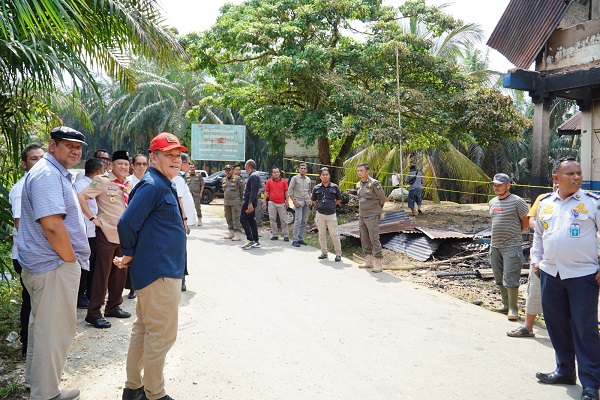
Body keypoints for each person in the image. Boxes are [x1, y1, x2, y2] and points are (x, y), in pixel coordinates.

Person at [17, 126, 90, 400]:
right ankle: (46, 394)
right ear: (52, 145)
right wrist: (70, 260)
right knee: (55, 331)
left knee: (41, 328)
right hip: (53, 265)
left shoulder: (52, 172)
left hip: (45, 265)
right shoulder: (48, 174)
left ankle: (36, 385)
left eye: (78, 147)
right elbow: (52, 226)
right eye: (69, 145)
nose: (75, 151)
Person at [115, 132, 187, 400]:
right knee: (161, 336)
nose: (176, 160)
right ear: (153, 157)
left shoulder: (162, 183)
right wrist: (130, 253)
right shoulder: (153, 185)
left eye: (178, 156)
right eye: (169, 155)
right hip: (160, 273)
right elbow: (126, 223)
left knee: (144, 330)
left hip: (160, 271)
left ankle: (133, 388)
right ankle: (154, 394)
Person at [531, 157, 600, 400]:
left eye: (579, 173)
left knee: (585, 329)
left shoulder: (592, 203)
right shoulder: (546, 203)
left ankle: (591, 383)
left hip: (583, 276)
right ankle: (564, 371)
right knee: (556, 325)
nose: (577, 177)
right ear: (556, 178)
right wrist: (536, 260)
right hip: (550, 273)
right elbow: (539, 235)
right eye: (570, 173)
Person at [78, 150, 132, 329]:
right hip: (106, 233)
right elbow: (82, 197)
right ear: (111, 165)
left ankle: (113, 307)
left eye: (126, 164)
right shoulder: (102, 181)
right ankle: (93, 313)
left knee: (120, 272)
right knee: (102, 274)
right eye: (119, 164)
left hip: (124, 236)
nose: (123, 167)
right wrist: (93, 218)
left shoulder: (129, 185)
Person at [507, 181, 558, 338]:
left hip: (567, 259)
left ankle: (564, 331)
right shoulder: (543, 199)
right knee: (535, 290)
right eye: (555, 180)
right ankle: (528, 327)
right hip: (542, 256)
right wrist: (546, 229)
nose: (557, 184)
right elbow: (531, 220)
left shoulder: (581, 202)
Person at [9, 144, 44, 362]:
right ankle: (27, 346)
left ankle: (34, 347)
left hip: (36, 253)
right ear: (24, 164)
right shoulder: (22, 188)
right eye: (33, 159)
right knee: (30, 302)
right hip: (27, 255)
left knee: (37, 304)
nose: (39, 162)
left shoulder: (39, 186)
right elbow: (21, 225)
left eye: (42, 158)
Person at [488, 173, 529, 321]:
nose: (496, 187)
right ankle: (505, 305)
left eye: (499, 184)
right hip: (495, 245)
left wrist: (515, 233)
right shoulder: (492, 202)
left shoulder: (517, 201)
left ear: (508, 185)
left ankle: (513, 308)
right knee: (498, 276)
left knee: (511, 277)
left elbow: (526, 222)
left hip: (511, 246)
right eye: (494, 184)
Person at [74, 158, 104, 308]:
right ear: (98, 172)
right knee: (85, 265)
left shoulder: (88, 183)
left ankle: (86, 294)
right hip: (86, 230)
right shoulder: (83, 185)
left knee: (90, 264)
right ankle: (80, 296)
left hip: (91, 230)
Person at [356, 163, 387, 272]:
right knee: (364, 238)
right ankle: (368, 261)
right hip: (362, 215)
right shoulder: (359, 184)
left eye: (361, 170)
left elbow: (382, 198)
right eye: (358, 170)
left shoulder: (374, 184)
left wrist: (378, 210)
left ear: (367, 172)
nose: (359, 172)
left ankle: (378, 263)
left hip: (372, 215)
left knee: (374, 238)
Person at [311, 167, 342, 261]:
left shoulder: (335, 187)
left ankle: (338, 253)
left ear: (329, 176)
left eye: (326, 174)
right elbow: (313, 200)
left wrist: (331, 204)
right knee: (322, 234)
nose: (325, 176)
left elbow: (339, 199)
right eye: (323, 175)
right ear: (320, 176)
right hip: (320, 214)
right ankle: (324, 253)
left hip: (331, 214)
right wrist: (321, 205)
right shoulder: (316, 188)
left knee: (334, 234)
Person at [289, 163, 311, 247]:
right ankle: (295, 240)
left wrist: (310, 200)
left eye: (304, 168)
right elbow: (290, 191)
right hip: (298, 202)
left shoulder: (308, 179)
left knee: (304, 221)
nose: (303, 170)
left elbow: (309, 191)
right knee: (298, 220)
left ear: (306, 170)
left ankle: (300, 238)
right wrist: (294, 202)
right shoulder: (294, 178)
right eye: (301, 168)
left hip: (306, 202)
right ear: (299, 169)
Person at [240, 159, 261, 250]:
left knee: (243, 219)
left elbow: (253, 191)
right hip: (250, 201)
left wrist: (250, 203)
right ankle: (256, 240)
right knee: (251, 219)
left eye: (245, 166)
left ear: (248, 166)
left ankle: (250, 239)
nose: (245, 168)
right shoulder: (254, 175)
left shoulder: (253, 176)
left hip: (249, 201)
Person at [264, 167, 289, 241]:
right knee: (272, 219)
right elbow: (266, 192)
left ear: (279, 173)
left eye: (277, 172)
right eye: (274, 172)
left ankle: (286, 235)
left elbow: (286, 192)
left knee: (284, 220)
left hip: (282, 203)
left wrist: (287, 201)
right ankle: (275, 235)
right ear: (272, 173)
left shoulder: (284, 182)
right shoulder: (269, 182)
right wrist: (264, 201)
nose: (276, 173)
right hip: (272, 202)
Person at [222, 165, 244, 241]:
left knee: (236, 218)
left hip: (235, 202)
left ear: (232, 170)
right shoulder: (224, 179)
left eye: (229, 170)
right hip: (227, 202)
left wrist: (240, 201)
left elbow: (242, 190)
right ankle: (231, 233)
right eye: (226, 170)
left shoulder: (238, 179)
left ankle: (237, 234)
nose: (227, 172)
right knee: (228, 218)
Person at [186, 162, 204, 226]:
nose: (192, 168)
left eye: (193, 167)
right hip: (188, 194)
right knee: (188, 207)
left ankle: (199, 219)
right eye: (191, 167)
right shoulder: (186, 175)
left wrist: (201, 192)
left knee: (197, 207)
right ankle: (190, 220)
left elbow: (202, 184)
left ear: (195, 168)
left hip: (196, 194)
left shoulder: (198, 175)